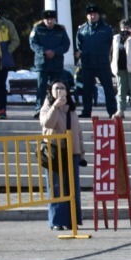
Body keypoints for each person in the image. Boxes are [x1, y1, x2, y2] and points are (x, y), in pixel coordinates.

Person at [39, 79, 85, 230]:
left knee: (72, 187)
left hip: (72, 152)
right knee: (55, 187)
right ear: (50, 92)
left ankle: (72, 219)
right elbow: (47, 123)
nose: (59, 90)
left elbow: (78, 132)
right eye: (56, 88)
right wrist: (55, 106)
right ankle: (57, 221)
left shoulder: (71, 109)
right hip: (54, 152)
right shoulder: (47, 107)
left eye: (62, 88)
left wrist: (82, 152)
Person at [74, 4, 116, 119]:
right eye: (90, 14)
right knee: (87, 89)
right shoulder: (82, 30)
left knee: (108, 88)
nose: (92, 16)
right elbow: (79, 46)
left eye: (95, 14)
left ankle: (112, 111)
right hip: (87, 64)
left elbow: (112, 45)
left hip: (102, 63)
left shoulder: (106, 29)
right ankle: (86, 111)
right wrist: (79, 54)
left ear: (98, 15)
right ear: (87, 16)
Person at [28, 9, 71, 114]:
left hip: (56, 63)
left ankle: (56, 109)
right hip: (42, 63)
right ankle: (39, 109)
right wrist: (44, 51)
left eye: (51, 19)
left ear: (55, 19)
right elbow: (33, 43)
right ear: (43, 19)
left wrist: (55, 52)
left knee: (56, 88)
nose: (49, 21)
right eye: (47, 19)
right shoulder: (37, 29)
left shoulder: (60, 30)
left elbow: (66, 45)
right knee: (41, 87)